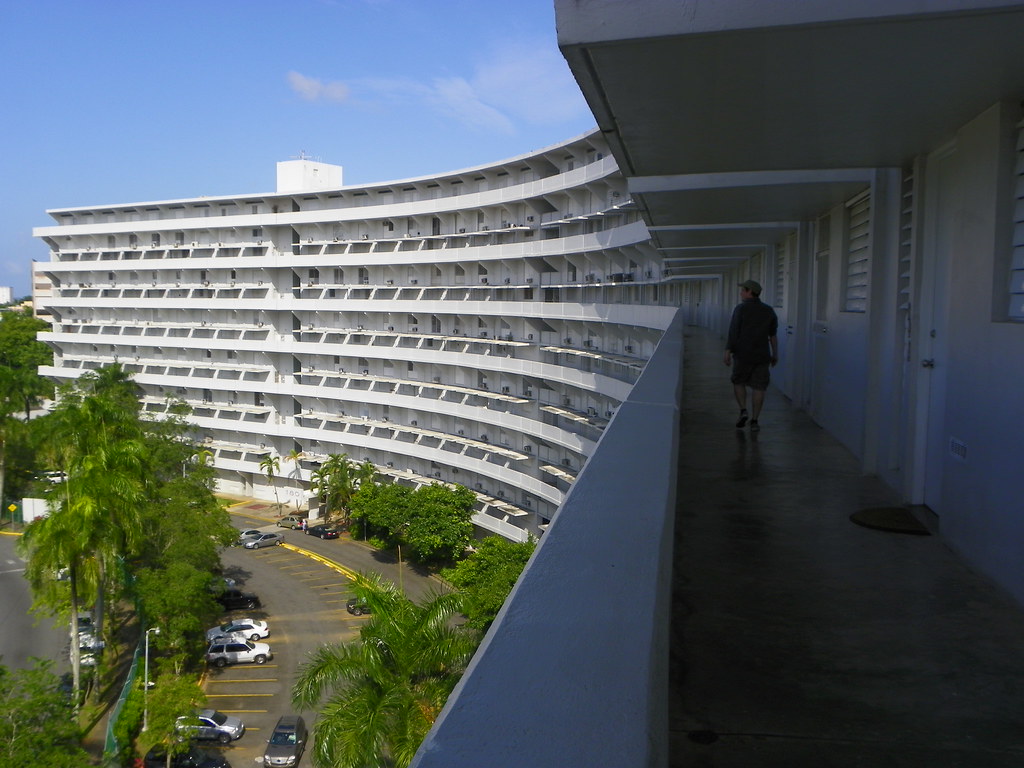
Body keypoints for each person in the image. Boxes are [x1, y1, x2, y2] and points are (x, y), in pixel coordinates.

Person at [723, 279, 778, 432]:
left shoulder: (740, 309)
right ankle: (755, 420)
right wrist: (775, 354)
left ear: (749, 292)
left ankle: (743, 410)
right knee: (759, 387)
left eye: (743, 290)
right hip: (762, 355)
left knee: (738, 381)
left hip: (743, 354)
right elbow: (773, 335)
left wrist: (728, 350)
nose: (741, 293)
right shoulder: (769, 311)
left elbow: (734, 332)